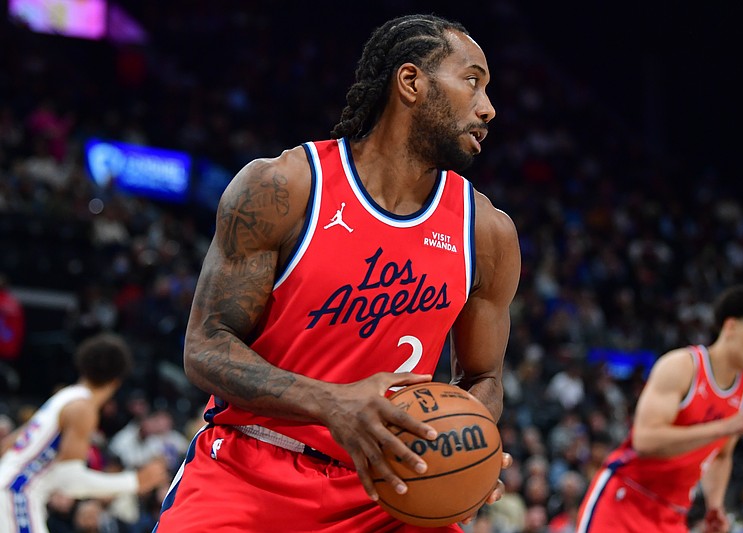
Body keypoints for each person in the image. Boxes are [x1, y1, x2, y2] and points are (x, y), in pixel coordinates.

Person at [154, 13, 521, 533]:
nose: (488, 107)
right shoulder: (284, 188)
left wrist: (467, 444)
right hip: (252, 469)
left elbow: (483, 377)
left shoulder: (488, 233)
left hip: (388, 491)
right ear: (411, 82)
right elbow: (206, 346)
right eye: (472, 81)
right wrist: (331, 404)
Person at [576, 285, 743, 533]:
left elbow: (721, 455)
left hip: (673, 515)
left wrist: (714, 505)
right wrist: (723, 427)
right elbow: (646, 440)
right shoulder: (682, 366)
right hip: (625, 498)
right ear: (731, 327)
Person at [0, 332, 168, 533]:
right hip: (17, 495)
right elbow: (69, 481)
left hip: (12, 490)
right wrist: (134, 481)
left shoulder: (63, 397)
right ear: (117, 380)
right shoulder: (83, 408)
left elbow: (7, 445)